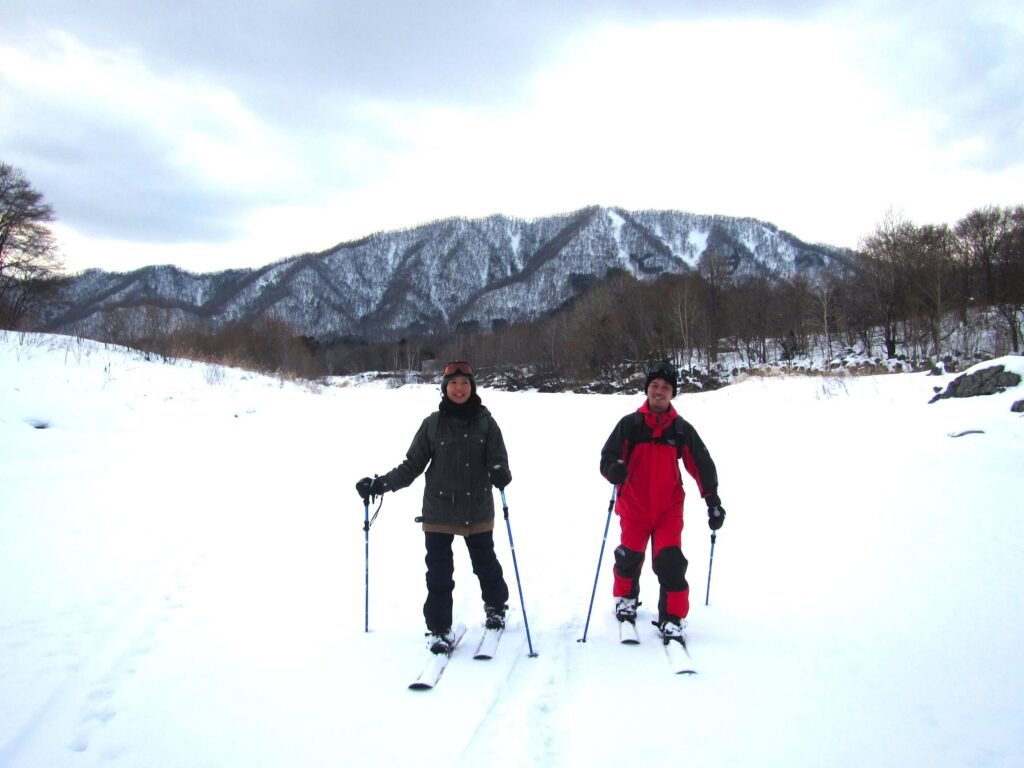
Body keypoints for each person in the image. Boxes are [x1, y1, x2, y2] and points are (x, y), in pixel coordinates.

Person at [356, 360, 513, 655]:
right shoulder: (432, 424)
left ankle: (496, 606)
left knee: (485, 564)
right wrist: (380, 485)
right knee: (439, 575)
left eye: (464, 383)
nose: (459, 388)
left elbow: (499, 459)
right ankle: (439, 629)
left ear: (472, 387)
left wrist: (500, 471)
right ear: (444, 389)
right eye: (453, 384)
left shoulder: (487, 423)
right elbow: (412, 466)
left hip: (477, 508)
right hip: (439, 510)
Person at [599, 361, 726, 641]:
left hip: (669, 508)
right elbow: (607, 457)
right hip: (635, 506)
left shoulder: (680, 429)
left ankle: (672, 617)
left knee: (671, 562)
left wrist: (712, 499)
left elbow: (701, 464)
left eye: (666, 387)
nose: (659, 391)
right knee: (628, 558)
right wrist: (613, 470)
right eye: (655, 386)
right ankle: (625, 599)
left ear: (672, 393)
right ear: (647, 389)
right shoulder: (630, 425)